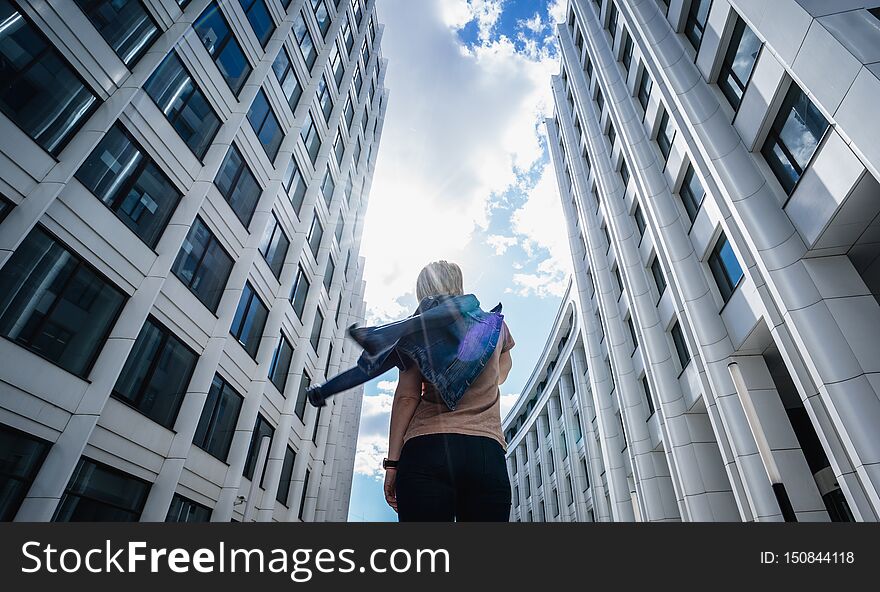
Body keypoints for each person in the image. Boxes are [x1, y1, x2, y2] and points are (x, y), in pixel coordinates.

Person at [383, 261, 515, 522]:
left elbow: (407, 397)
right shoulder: (495, 326)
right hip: (485, 451)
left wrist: (393, 465)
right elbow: (501, 373)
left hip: (426, 448)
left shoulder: (415, 329)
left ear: (423, 290)